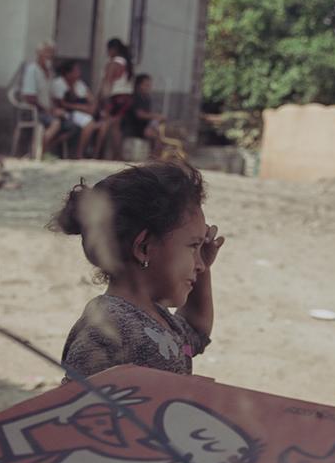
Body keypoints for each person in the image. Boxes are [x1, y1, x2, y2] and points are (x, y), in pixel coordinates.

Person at [50, 160, 223, 379]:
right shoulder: (106, 330)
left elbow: (196, 329)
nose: (198, 265)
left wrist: (204, 267)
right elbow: (79, 406)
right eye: (192, 246)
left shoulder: (155, 317)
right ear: (143, 247)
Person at [79, 38, 135, 158]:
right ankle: (117, 154)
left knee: (105, 123)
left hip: (115, 97)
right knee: (115, 127)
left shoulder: (113, 63)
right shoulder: (126, 63)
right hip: (126, 97)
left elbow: (107, 83)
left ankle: (96, 153)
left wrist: (104, 100)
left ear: (113, 49)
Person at [50, 60, 93, 157]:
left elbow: (90, 99)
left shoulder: (79, 84)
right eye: (76, 70)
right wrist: (81, 107)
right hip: (63, 112)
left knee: (90, 123)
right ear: (68, 73)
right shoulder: (58, 83)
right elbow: (61, 104)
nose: (79, 73)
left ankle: (79, 153)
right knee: (85, 123)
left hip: (76, 112)